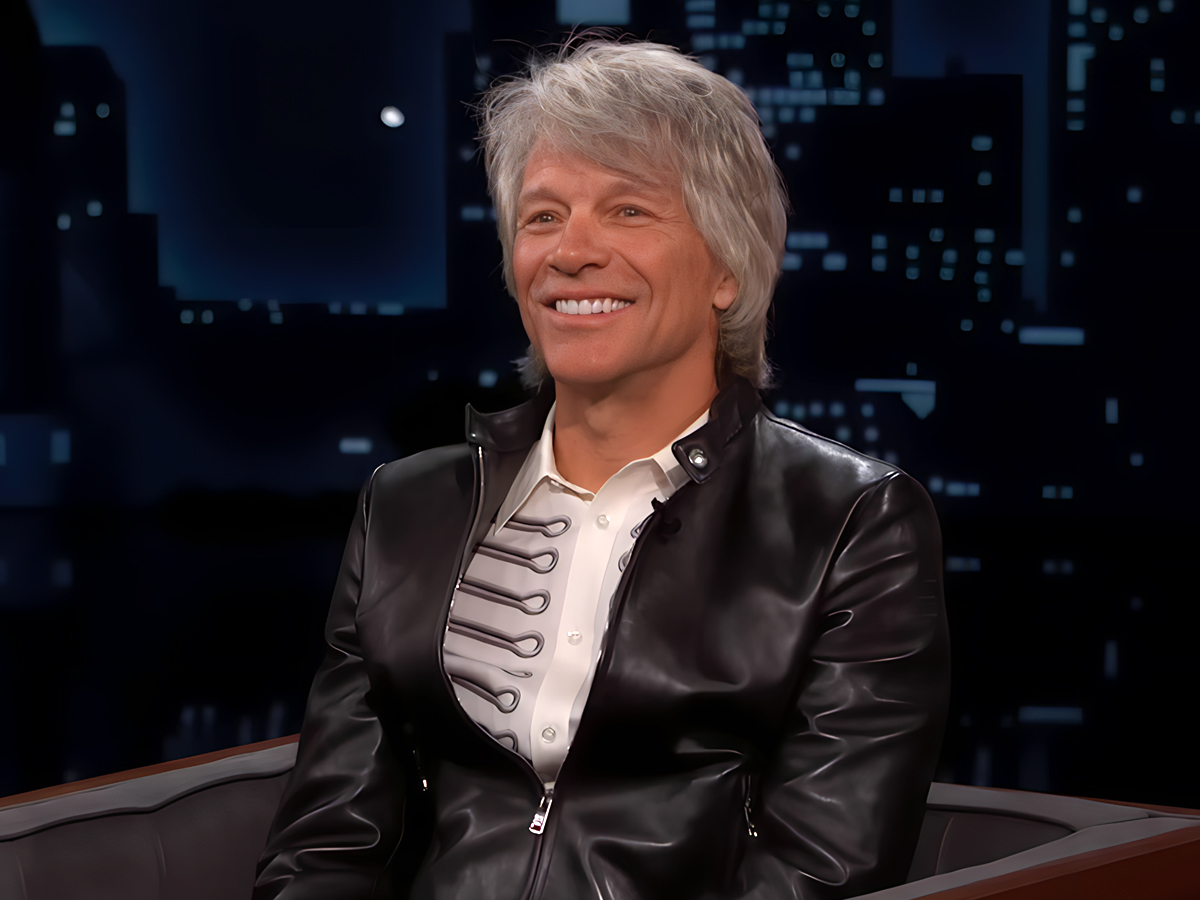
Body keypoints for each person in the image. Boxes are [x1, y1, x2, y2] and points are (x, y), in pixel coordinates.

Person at [253, 38, 949, 900]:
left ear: (727, 268)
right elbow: (329, 842)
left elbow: (822, 869)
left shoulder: (852, 523)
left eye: (627, 211)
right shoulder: (407, 506)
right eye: (543, 217)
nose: (571, 252)